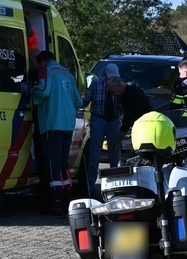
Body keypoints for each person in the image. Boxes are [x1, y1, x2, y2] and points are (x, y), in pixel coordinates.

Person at [32, 50, 82, 216]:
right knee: (62, 162)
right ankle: (67, 194)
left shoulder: (47, 71)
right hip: (68, 124)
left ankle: (56, 201)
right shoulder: (67, 73)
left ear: (43, 61)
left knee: (52, 163)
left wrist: (33, 94)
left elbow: (44, 92)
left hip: (52, 125)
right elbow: (78, 101)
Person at [82, 64, 123, 199]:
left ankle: (115, 186)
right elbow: (86, 100)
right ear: (105, 75)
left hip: (114, 120)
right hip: (98, 119)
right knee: (94, 153)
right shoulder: (96, 83)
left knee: (114, 153)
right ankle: (91, 187)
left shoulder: (120, 83)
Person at [108, 76, 153, 143]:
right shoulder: (134, 89)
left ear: (118, 87)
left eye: (112, 92)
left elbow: (127, 123)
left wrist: (116, 143)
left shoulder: (130, 97)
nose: (112, 95)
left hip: (146, 128)